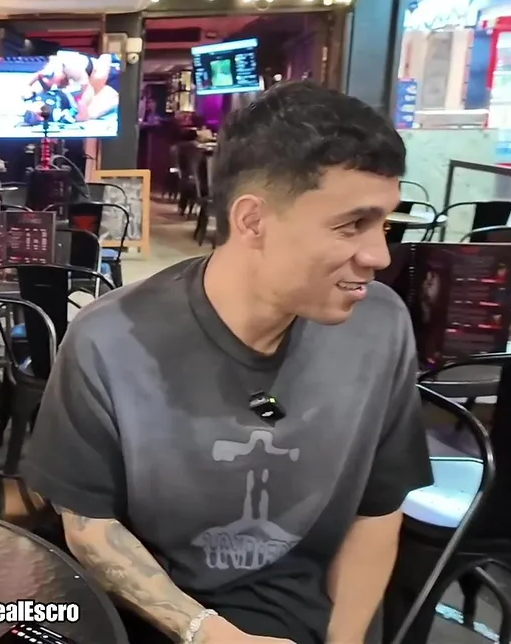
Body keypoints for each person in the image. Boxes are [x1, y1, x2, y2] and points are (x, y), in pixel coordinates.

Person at [22, 82, 433, 644]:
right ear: (252, 221)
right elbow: (90, 526)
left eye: (383, 223)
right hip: (153, 616)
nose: (379, 256)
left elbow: (379, 508)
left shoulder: (379, 325)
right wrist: (209, 634)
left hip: (301, 612)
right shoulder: (109, 340)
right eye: (350, 225)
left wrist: (345, 639)